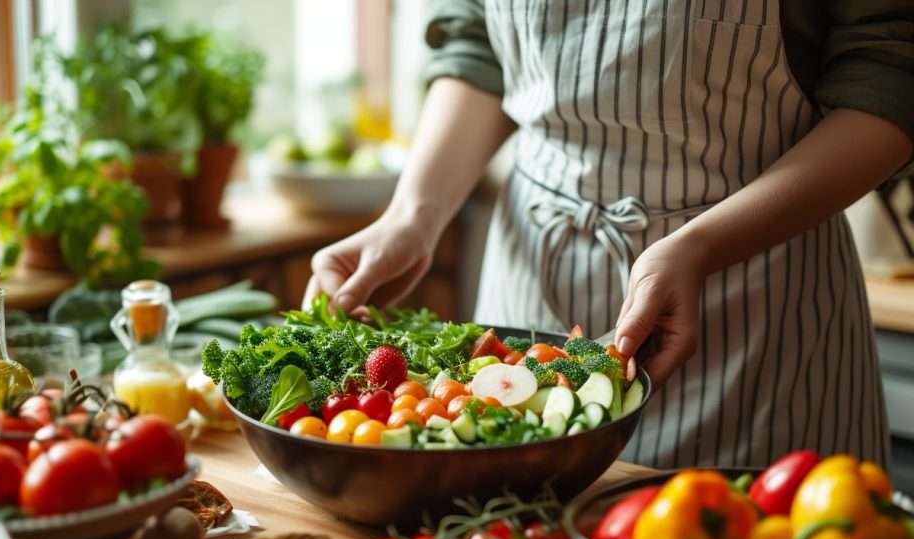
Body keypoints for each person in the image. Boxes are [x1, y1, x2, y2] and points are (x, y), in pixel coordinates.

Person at [304, 0, 914, 469]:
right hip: (530, 281)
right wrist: (413, 217)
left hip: (757, 306)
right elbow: (476, 45)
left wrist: (700, 246)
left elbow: (891, 74)